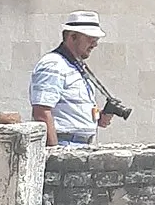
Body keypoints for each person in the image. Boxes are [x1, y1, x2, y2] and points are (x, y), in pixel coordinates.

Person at [30, 12, 120, 151]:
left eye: (96, 39)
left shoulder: (74, 66)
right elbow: (41, 112)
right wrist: (54, 154)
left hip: (80, 145)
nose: (95, 44)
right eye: (90, 38)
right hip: (65, 145)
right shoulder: (54, 64)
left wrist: (100, 117)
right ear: (72, 37)